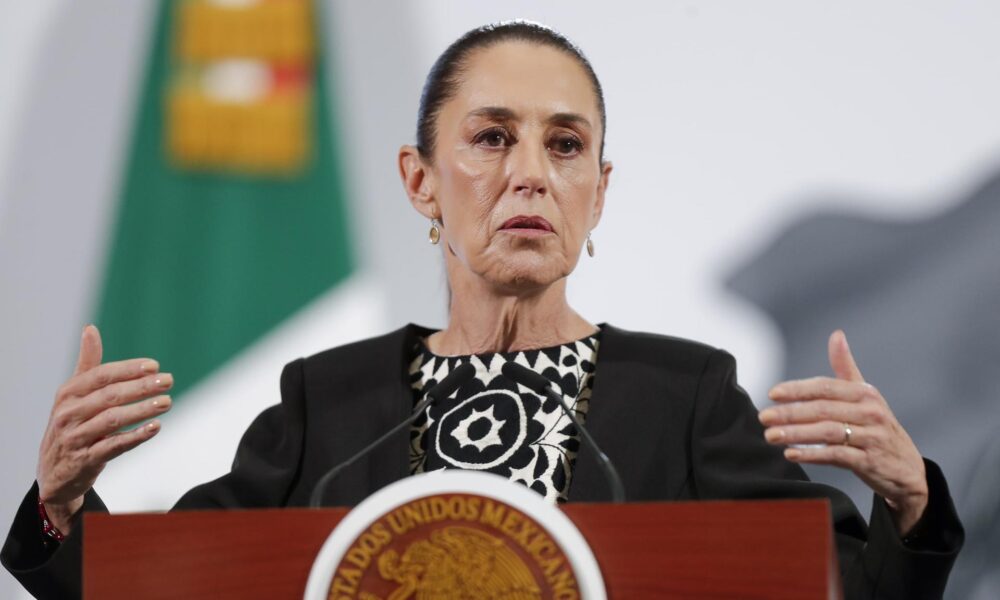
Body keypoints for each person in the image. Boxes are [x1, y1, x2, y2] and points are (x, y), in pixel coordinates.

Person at [2, 21, 963, 599]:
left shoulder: (687, 395)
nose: (531, 176)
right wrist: (62, 502)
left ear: (599, 189)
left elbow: (842, 589)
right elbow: (165, 590)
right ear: (420, 182)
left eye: (567, 145)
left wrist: (910, 501)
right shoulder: (322, 404)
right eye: (493, 137)